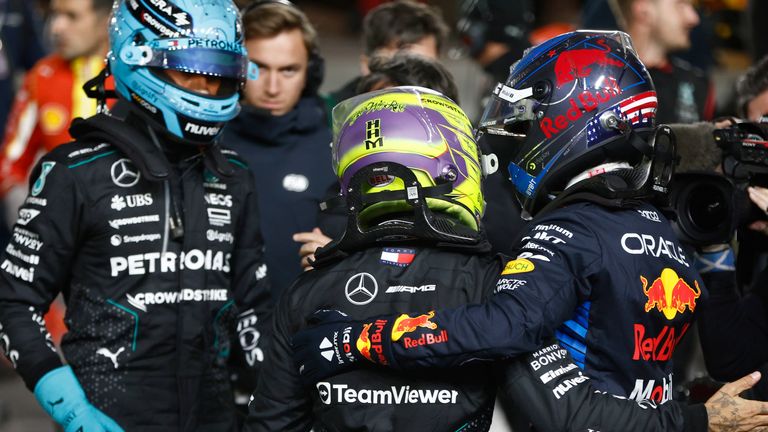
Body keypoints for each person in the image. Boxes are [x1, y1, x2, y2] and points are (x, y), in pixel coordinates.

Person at [246, 85, 768, 432]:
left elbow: (271, 424)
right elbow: (562, 411)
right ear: (457, 169)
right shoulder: (495, 279)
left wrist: (353, 338)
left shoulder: (305, 293)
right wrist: (698, 421)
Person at [293, 30, 714, 410]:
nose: (518, 139)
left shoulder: (571, 230)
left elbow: (501, 327)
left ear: (571, 119)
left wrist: (356, 340)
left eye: (528, 121)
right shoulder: (659, 225)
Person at [0, 1, 272, 431]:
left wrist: (271, 407)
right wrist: (71, 410)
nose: (207, 88)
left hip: (217, 419)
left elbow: (254, 307)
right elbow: (14, 302)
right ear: (137, 57)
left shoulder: (234, 175)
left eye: (220, 74)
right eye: (191, 70)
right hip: (105, 416)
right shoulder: (73, 172)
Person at [223, 0, 335, 298]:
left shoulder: (337, 152)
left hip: (299, 333)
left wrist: (340, 257)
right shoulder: (202, 144)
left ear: (311, 73)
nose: (273, 87)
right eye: (258, 69)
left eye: (288, 70)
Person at [0, 0, 113, 217]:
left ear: (105, 22)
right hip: (57, 224)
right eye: (55, 15)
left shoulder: (133, 79)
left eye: (72, 17)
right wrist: (30, 217)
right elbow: (10, 164)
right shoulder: (42, 76)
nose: (56, 28)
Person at [325, 0, 449, 110]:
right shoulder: (326, 121)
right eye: (403, 69)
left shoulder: (458, 127)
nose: (415, 82)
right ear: (367, 65)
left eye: (428, 70)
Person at [613, 0, 714, 123]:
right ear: (643, 10)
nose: (694, 18)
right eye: (681, 5)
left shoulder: (698, 85)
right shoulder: (593, 81)